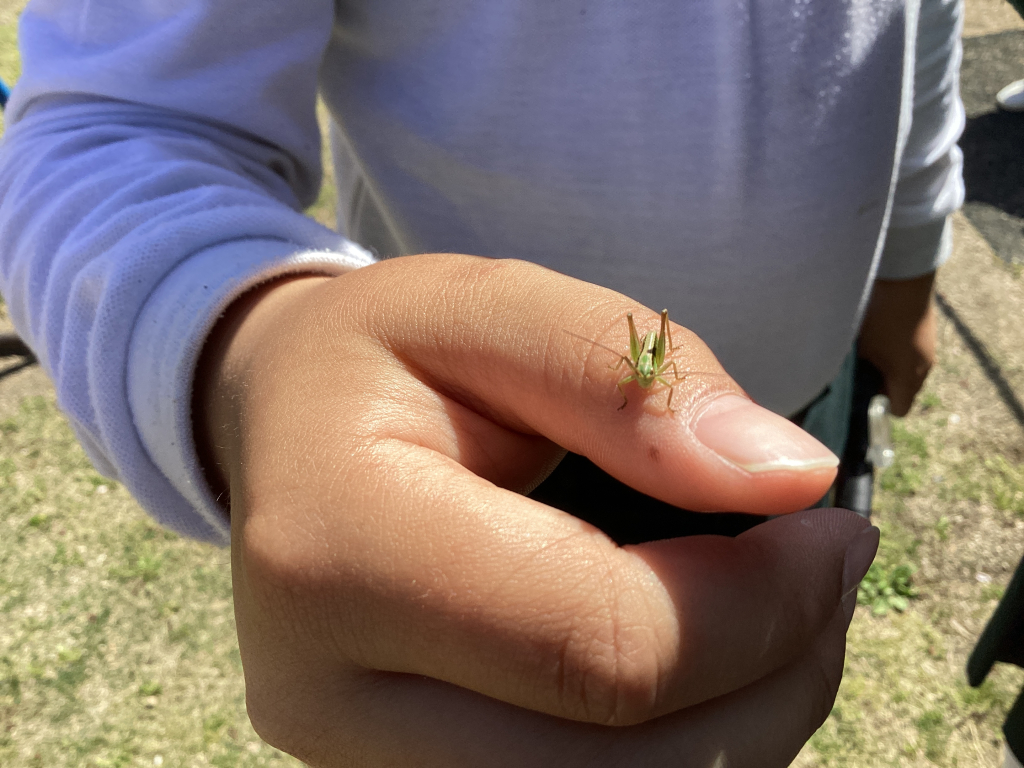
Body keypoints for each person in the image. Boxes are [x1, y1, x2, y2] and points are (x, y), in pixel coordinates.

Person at [0, 0, 963, 765]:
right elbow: (105, 122)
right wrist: (252, 350)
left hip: (798, 400)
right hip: (482, 459)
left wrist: (911, 247)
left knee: (743, 686)